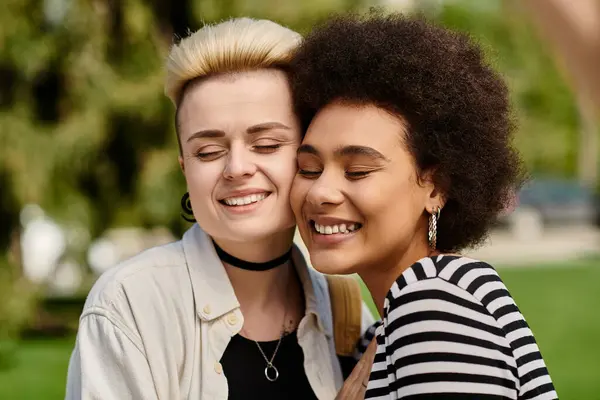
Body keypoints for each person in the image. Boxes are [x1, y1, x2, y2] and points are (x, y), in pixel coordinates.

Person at [65, 17, 375, 400]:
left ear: (308, 156)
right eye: (208, 152)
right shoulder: (130, 306)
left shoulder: (343, 308)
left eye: (266, 144)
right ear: (185, 168)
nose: (237, 168)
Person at [289, 11, 558, 400]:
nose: (320, 193)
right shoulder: (396, 320)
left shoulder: (434, 305)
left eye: (358, 170)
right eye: (309, 168)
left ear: (436, 187)